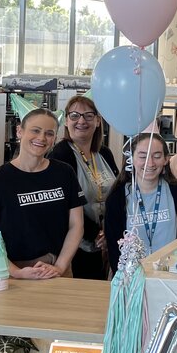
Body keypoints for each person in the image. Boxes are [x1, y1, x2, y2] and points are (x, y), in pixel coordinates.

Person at [0, 108, 84, 279]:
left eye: (49, 133)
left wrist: (60, 267)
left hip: (57, 270)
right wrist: (16, 272)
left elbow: (76, 226)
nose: (41, 138)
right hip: (12, 272)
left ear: (54, 138)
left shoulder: (64, 173)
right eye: (35, 130)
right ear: (19, 131)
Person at [48, 95, 119, 280]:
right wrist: (96, 234)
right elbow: (64, 203)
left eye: (88, 115)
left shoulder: (104, 153)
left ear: (97, 121)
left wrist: (110, 231)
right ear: (66, 121)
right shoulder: (61, 154)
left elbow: (119, 193)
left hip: (106, 242)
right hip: (77, 244)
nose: (81, 121)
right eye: (74, 115)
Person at [102, 131, 177, 273]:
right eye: (142, 156)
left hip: (171, 276)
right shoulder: (117, 197)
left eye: (157, 156)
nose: (150, 163)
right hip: (132, 278)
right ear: (131, 159)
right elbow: (114, 249)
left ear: (166, 159)